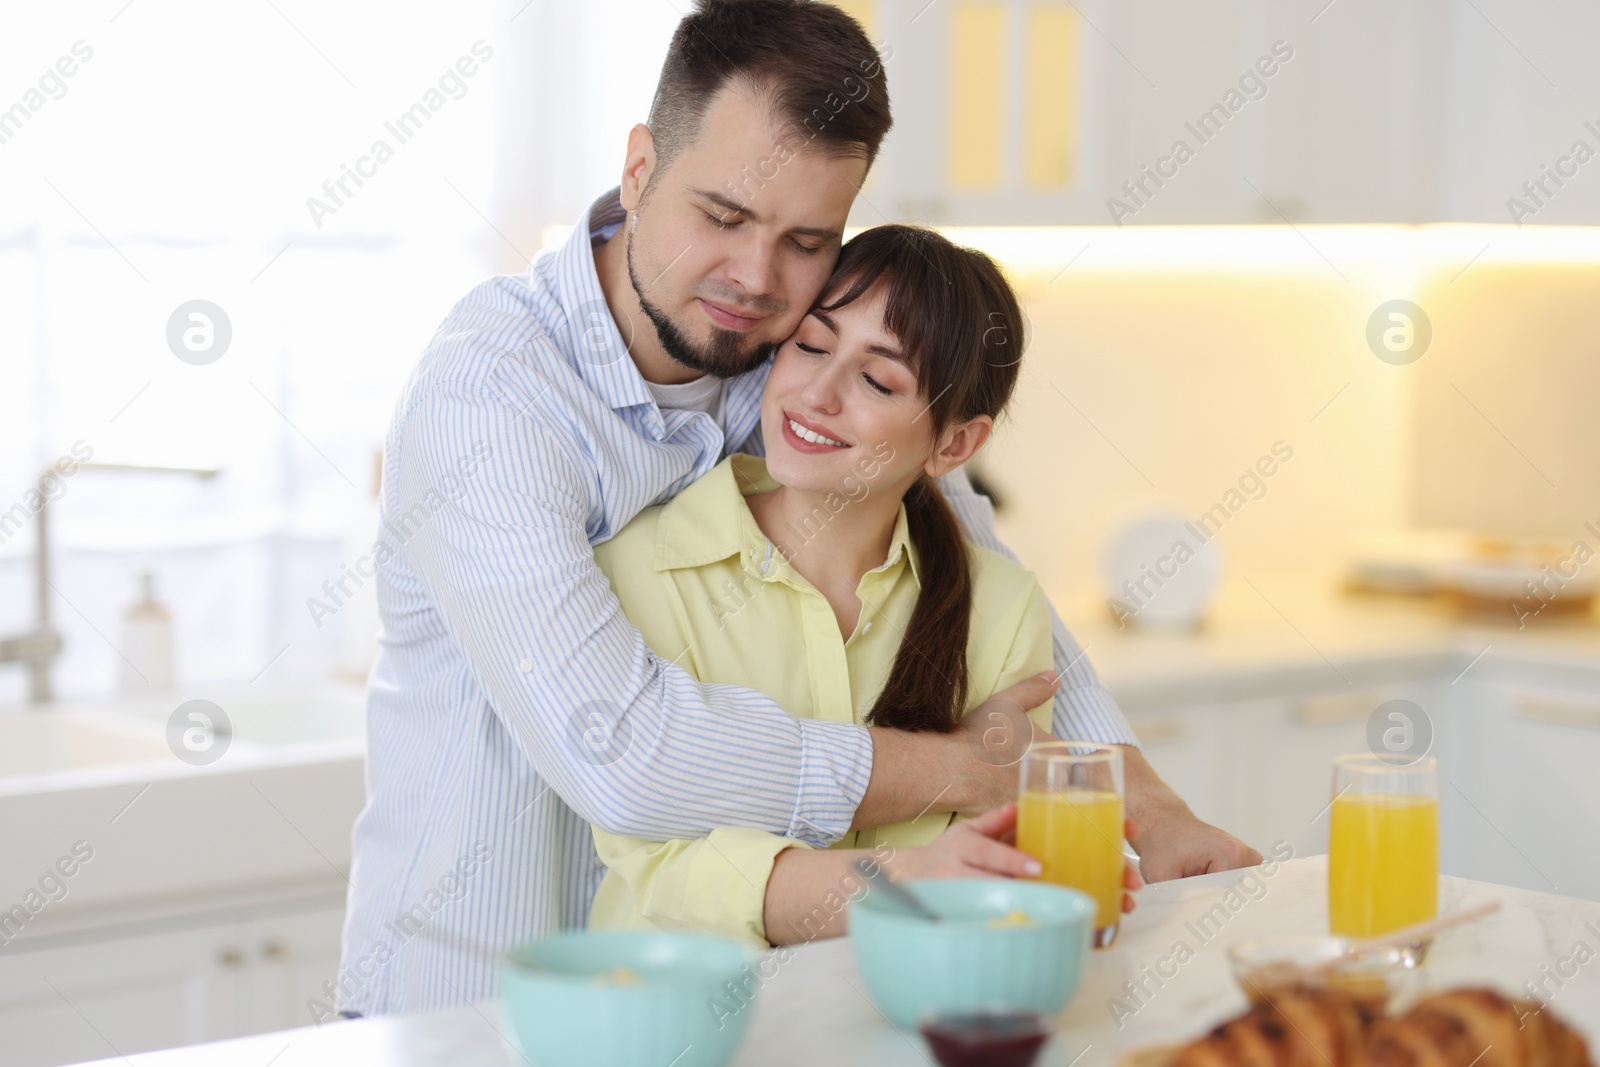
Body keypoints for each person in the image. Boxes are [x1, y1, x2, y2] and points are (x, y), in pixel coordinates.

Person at [339, 0, 1257, 1017]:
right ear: (638, 168)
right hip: (471, 1006)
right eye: (723, 217)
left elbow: (995, 587)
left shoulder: (787, 362)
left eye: (806, 240)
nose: (755, 279)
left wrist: (1153, 810)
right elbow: (628, 755)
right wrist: (959, 766)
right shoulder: (494, 397)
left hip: (720, 1017)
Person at [589, 224, 1141, 947]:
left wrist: (1039, 878)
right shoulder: (644, 564)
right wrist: (911, 876)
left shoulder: (1000, 607)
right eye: (811, 346)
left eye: (877, 379)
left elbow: (1004, 861)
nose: (816, 393)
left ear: (955, 444)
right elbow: (662, 866)